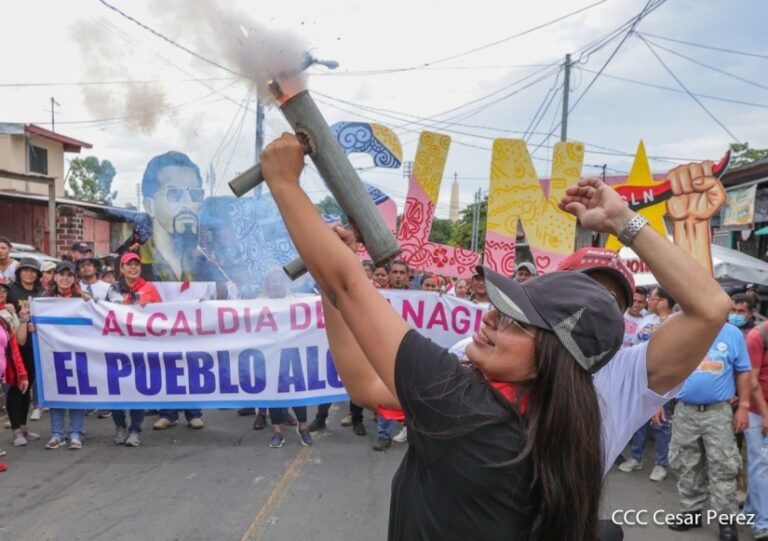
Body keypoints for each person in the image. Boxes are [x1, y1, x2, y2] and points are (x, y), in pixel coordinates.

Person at [261, 136, 732, 539]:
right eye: (506, 307)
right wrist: (620, 222)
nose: (488, 319)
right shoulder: (488, 379)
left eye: (515, 319)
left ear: (561, 356)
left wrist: (283, 182)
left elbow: (349, 284)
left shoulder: (465, 404)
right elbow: (366, 386)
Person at [667, 319, 752, 541]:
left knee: (723, 465)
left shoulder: (732, 333)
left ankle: (726, 521)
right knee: (686, 462)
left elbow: (744, 370)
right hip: (685, 410)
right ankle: (691, 512)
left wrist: (743, 406)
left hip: (718, 412)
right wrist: (657, 402)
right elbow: (666, 367)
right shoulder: (682, 327)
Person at [138, 151, 227, 284]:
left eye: (195, 194)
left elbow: (230, 295)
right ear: (149, 206)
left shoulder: (205, 265)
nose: (188, 204)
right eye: (174, 194)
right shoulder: (133, 263)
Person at [618, 287, 676, 482]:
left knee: (660, 422)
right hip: (639, 376)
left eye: (653, 299)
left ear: (664, 302)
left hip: (660, 378)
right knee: (638, 419)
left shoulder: (675, 321)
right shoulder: (647, 319)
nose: (648, 302)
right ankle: (636, 457)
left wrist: (663, 317)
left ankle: (660, 464)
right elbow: (634, 343)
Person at [42, 261, 90, 450]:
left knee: (77, 391)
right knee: (56, 389)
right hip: (53, 351)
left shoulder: (83, 299)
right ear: (54, 277)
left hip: (78, 351)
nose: (64, 278)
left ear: (74, 278)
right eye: (61, 274)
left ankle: (76, 432)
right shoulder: (44, 300)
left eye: (69, 275)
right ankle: (57, 434)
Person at [115, 252, 162, 445]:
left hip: (141, 346)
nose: (133, 268)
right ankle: (119, 426)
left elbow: (162, 314)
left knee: (137, 388)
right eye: (129, 265)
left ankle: (135, 429)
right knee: (115, 388)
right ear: (122, 268)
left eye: (136, 265)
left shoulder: (150, 288)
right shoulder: (113, 290)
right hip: (116, 345)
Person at [5, 257, 44, 446]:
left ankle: (23, 425)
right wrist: (6, 306)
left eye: (33, 271)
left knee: (27, 387)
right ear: (19, 272)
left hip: (34, 346)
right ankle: (15, 431)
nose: (29, 274)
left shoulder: (41, 292)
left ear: (38, 274)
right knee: (16, 386)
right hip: (14, 347)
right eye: (25, 270)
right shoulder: (11, 290)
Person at [0, 279, 30, 466]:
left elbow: (15, 344)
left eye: (3, 290)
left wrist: (22, 374)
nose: (1, 293)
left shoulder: (6, 316)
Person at [745, 319, 768, 540]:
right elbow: (752, 381)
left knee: (761, 465)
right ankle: (763, 523)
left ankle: (750, 512)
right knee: (761, 464)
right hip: (757, 412)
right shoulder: (757, 336)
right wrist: (765, 414)